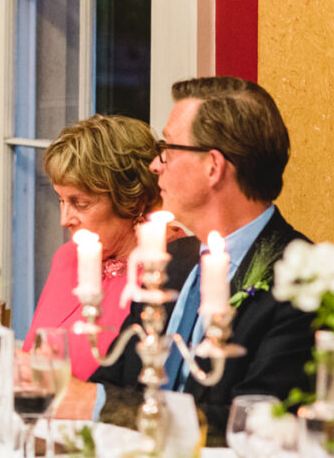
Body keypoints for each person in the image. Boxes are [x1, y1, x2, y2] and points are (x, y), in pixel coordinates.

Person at [58, 77, 315, 442]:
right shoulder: (173, 260)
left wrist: (99, 405)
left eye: (168, 149)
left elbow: (255, 427)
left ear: (213, 166)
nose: (155, 165)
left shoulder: (305, 282)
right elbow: (113, 379)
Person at [24, 114, 170, 380]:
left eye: (80, 203)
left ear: (132, 201)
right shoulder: (66, 258)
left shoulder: (165, 270)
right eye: (61, 200)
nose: (64, 220)